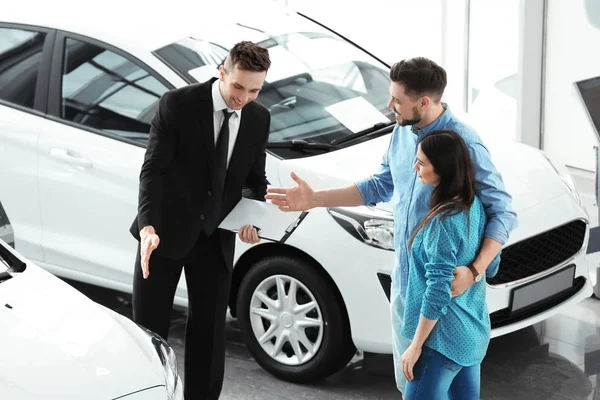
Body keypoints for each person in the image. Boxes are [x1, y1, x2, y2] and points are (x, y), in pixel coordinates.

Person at [264, 57, 518, 394]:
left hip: (445, 294)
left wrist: (474, 269)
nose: (389, 105)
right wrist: (315, 199)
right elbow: (379, 185)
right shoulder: (402, 132)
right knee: (415, 382)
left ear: (423, 102)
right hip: (407, 283)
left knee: (421, 378)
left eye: (397, 99)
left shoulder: (465, 145)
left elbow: (502, 213)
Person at [129, 41, 272, 400]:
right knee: (149, 333)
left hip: (216, 236)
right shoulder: (177, 105)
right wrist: (148, 228)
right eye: (238, 87)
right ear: (222, 72)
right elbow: (153, 171)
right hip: (163, 233)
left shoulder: (259, 118)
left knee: (209, 337)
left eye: (254, 90)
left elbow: (255, 181)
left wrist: (254, 220)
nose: (244, 97)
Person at [400, 129, 499, 399]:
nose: (415, 167)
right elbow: (492, 265)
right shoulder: (476, 206)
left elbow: (437, 292)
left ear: (441, 169)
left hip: (441, 341)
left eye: (421, 163)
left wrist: (416, 346)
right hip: (472, 335)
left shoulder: (443, 223)